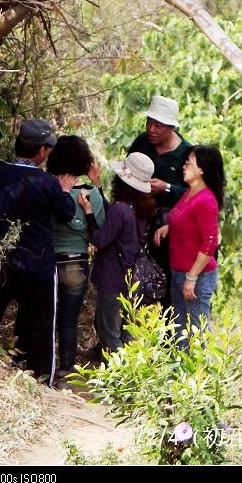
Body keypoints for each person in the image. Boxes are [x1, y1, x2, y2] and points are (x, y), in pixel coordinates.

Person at [0, 118, 77, 387]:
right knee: (42, 328)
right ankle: (42, 381)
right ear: (42, 151)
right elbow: (66, 212)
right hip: (38, 264)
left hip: (0, 259)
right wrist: (65, 191)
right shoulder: (46, 183)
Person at [80, 152, 156, 356]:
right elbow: (114, 217)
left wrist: (88, 212)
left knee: (109, 333)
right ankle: (128, 370)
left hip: (112, 278)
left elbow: (99, 239)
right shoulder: (140, 208)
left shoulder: (121, 209)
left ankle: (118, 377)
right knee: (124, 331)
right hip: (131, 279)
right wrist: (97, 186)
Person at [46, 135, 106, 377]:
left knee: (44, 317)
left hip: (48, 261)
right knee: (68, 321)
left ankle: (39, 364)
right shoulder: (93, 195)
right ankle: (66, 369)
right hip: (76, 263)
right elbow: (98, 230)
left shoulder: (47, 188)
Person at [153, 145, 224, 348]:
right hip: (179, 272)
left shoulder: (206, 200)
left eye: (188, 163)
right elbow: (185, 219)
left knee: (197, 332)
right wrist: (169, 227)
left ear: (202, 169)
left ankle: (204, 378)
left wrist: (191, 277)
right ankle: (182, 376)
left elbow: (210, 241)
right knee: (180, 330)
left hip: (197, 276)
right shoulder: (191, 192)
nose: (184, 166)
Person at [128, 95, 192, 308]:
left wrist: (166, 187)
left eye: (158, 125)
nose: (152, 129)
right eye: (149, 123)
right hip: (139, 223)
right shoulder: (141, 142)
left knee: (171, 289)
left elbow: (196, 195)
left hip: (171, 231)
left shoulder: (187, 154)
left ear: (172, 127)